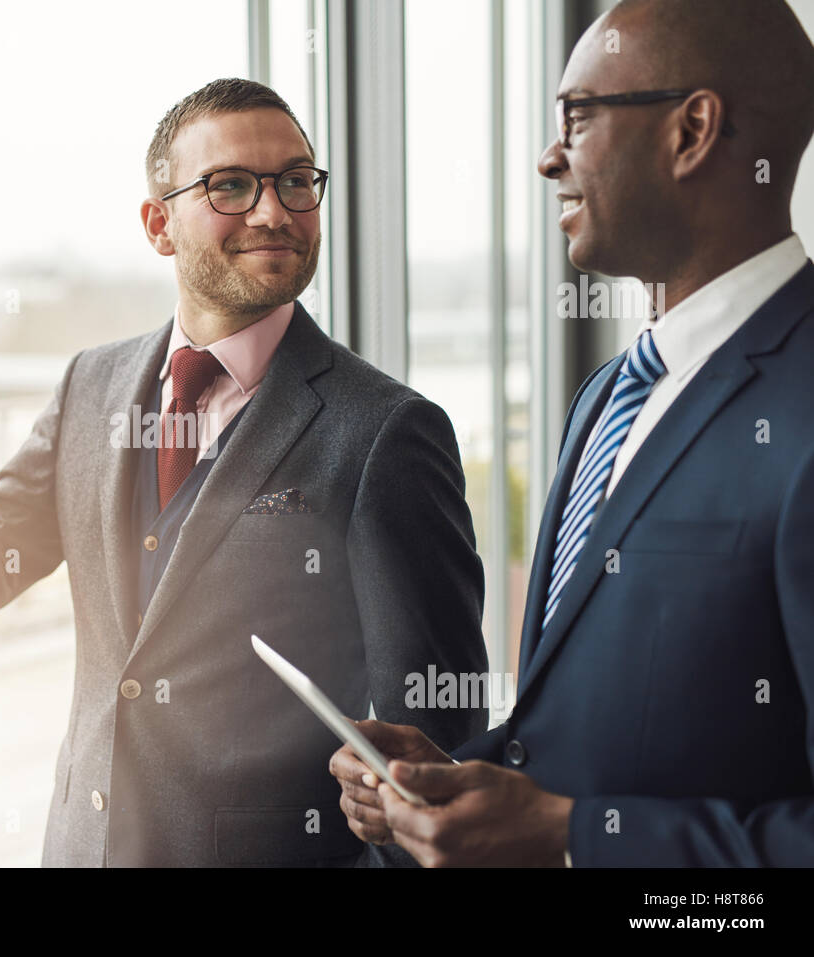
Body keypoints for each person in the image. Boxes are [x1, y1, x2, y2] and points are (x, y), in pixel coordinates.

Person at [0, 78, 488, 867]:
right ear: (159, 224)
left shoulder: (387, 433)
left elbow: (437, 759)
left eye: (296, 181)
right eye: (231, 185)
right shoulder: (91, 385)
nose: (274, 211)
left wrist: (393, 812)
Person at [330, 0, 814, 866]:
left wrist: (567, 839)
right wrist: (448, 783)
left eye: (578, 117)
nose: (549, 156)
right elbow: (584, 739)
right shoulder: (606, 398)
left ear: (692, 129)